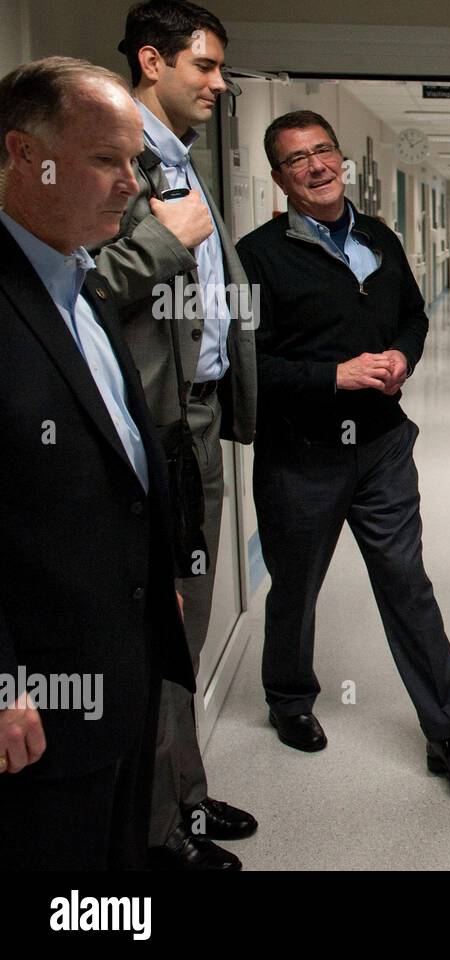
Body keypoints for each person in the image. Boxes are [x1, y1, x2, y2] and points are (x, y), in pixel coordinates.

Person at [236, 110, 450, 780]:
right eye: (298, 159)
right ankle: (289, 698)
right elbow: (247, 364)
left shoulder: (379, 236)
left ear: (341, 158)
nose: (317, 167)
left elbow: (412, 312)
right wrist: (335, 375)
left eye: (325, 151)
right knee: (296, 584)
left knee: (408, 583)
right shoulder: (257, 256)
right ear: (279, 177)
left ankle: (448, 731)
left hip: (381, 446)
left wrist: (403, 356)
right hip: (302, 454)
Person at [0, 56, 194, 869]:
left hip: (122, 658)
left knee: (114, 858)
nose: (133, 186)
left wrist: (162, 581)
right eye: (106, 161)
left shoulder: (79, 278)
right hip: (38, 695)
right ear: (22, 154)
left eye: (135, 163)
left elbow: (117, 463)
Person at [93, 0, 257, 872]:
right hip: (150, 428)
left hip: (196, 420)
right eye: (206, 67)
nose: (219, 84)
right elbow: (74, 293)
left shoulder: (180, 162)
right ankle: (159, 835)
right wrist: (161, 241)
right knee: (164, 628)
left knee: (184, 630)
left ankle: (183, 797)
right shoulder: (112, 161)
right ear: (152, 61)